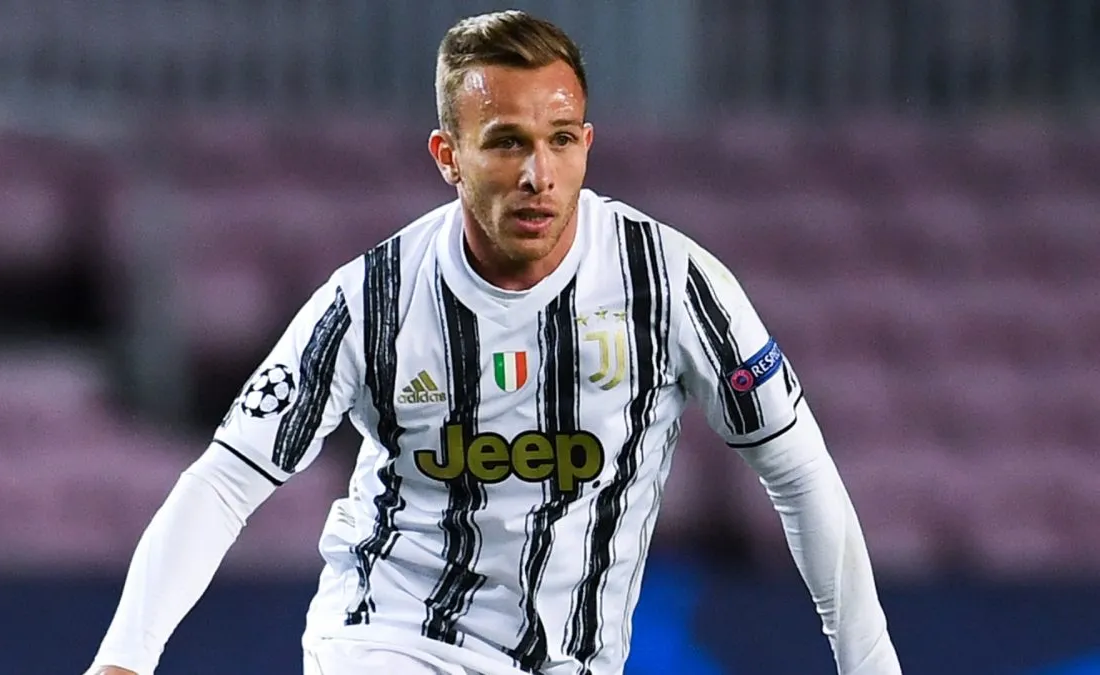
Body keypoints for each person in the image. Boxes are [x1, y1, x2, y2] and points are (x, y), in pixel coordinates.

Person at [87, 10, 902, 675]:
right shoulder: (371, 299)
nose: (537, 174)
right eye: (507, 140)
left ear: (587, 144)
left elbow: (798, 473)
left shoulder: (674, 285)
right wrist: (123, 658)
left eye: (560, 139)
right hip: (390, 636)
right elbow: (227, 478)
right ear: (449, 157)